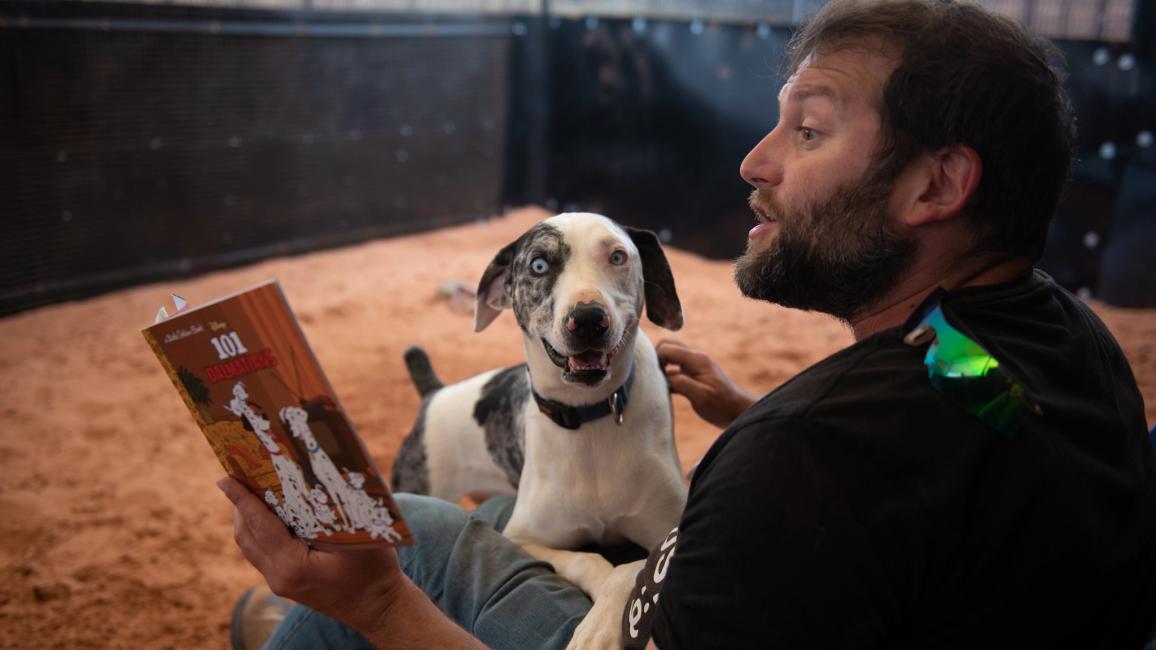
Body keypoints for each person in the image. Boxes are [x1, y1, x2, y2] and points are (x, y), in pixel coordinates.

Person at [220, 0, 1156, 647]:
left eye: (811, 131)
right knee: (508, 512)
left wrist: (381, 608)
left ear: (938, 185)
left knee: (418, 536)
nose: (757, 162)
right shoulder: (1056, 341)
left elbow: (821, 472)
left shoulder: (807, 456)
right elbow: (981, 423)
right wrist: (754, 416)